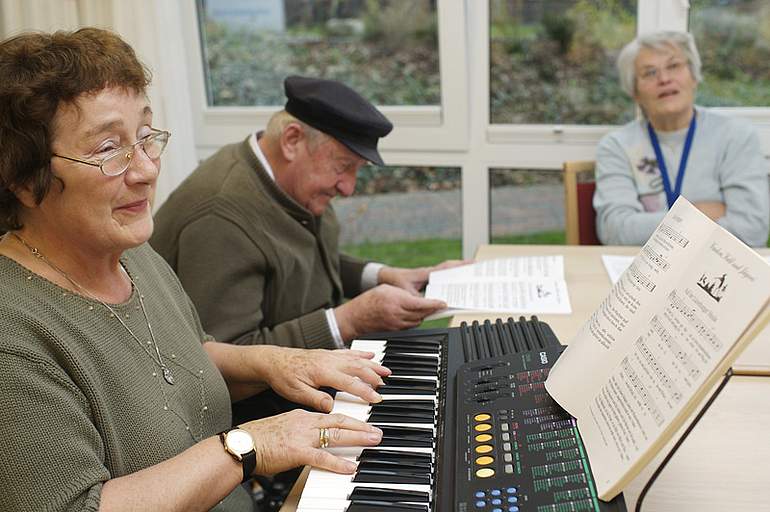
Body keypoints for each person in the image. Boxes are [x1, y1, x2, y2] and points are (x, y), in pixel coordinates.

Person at [0, 28, 390, 512]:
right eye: (107, 149)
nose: (145, 169)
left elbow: (186, 353)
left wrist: (278, 362)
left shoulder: (132, 255)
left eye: (145, 138)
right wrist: (248, 447)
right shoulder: (13, 336)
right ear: (21, 175)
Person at [150, 76, 461, 353]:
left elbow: (299, 261)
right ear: (292, 140)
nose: (349, 188)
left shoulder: (284, 180)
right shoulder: (221, 219)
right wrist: (348, 321)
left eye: (357, 171)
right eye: (342, 167)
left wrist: (384, 277)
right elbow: (226, 362)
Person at [593, 30, 769, 247]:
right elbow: (614, 231)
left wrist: (648, 226)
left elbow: (752, 230)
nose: (664, 79)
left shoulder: (737, 137)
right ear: (635, 93)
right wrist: (703, 213)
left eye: (674, 66)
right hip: (646, 273)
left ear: (694, 77)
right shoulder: (616, 146)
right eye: (649, 73)